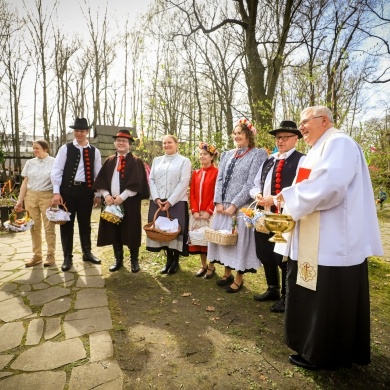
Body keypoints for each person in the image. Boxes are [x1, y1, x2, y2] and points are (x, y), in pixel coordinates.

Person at [275, 105, 383, 370]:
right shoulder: (317, 150)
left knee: (327, 299)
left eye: (304, 122)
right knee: (310, 293)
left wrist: (287, 196)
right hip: (315, 238)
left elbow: (329, 188)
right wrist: (288, 196)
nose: (301, 128)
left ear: (323, 120)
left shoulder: (340, 143)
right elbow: (309, 186)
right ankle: (311, 347)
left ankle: (326, 354)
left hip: (333, 240)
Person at [249, 121, 305, 312]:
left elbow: (300, 188)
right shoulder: (269, 159)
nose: (280, 141)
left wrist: (274, 200)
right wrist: (256, 195)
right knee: (265, 253)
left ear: (296, 138)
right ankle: (272, 288)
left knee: (282, 256)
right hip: (264, 216)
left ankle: (286, 296)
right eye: (278, 137)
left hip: (284, 216)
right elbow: (256, 183)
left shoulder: (301, 160)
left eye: (285, 137)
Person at [208, 118, 268, 292]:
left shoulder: (257, 154)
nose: (237, 136)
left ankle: (239, 277)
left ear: (248, 134)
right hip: (222, 205)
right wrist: (218, 202)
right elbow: (219, 180)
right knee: (224, 240)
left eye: (240, 132)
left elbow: (251, 183)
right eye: (235, 133)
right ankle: (227, 272)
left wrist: (234, 205)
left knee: (238, 241)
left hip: (242, 206)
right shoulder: (227, 154)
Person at [93, 129, 150, 272]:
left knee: (131, 230)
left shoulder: (136, 161)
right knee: (114, 230)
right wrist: (106, 195)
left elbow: (137, 183)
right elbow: (101, 181)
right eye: (118, 141)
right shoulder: (110, 161)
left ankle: (134, 261)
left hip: (129, 202)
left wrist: (122, 197)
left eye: (124, 141)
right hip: (111, 203)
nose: (121, 143)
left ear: (129, 144)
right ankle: (118, 260)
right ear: (115, 143)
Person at [51, 117, 102, 272]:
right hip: (67, 192)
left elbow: (97, 173)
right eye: (76, 131)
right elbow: (57, 170)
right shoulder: (65, 148)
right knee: (66, 224)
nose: (79, 133)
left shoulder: (95, 151)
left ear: (87, 132)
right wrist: (56, 192)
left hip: (86, 192)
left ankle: (87, 252)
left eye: (82, 131)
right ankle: (67, 257)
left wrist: (98, 193)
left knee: (85, 223)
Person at [146, 134, 192, 275]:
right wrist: (157, 198)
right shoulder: (157, 160)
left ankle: (175, 261)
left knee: (174, 230)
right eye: (164, 143)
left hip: (177, 201)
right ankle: (168, 260)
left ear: (176, 144)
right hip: (158, 201)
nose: (166, 145)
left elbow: (184, 182)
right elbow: (151, 179)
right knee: (162, 231)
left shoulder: (184, 161)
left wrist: (170, 201)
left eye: (169, 142)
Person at [14, 140, 56, 267]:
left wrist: (56, 197)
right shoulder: (30, 163)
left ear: (45, 149)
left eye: (37, 148)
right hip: (31, 197)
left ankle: (51, 255)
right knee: (34, 227)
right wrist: (20, 201)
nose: (34, 150)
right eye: (33, 148)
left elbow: (57, 181)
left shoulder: (54, 162)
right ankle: (37, 255)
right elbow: (25, 183)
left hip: (47, 196)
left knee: (49, 227)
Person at [189, 142, 219, 279]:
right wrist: (194, 210)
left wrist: (209, 210)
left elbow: (216, 194)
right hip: (197, 213)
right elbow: (193, 193)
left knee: (209, 239)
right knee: (199, 238)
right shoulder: (196, 173)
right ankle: (203, 265)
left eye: (205, 154)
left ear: (212, 157)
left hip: (209, 213)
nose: (202, 156)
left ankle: (211, 266)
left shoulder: (217, 173)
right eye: (200, 154)